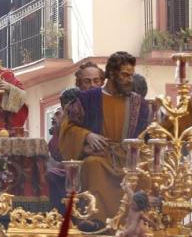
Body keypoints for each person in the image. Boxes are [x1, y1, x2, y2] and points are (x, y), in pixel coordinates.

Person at [59, 51, 150, 223]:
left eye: (131, 75)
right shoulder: (87, 99)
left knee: (144, 173)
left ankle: (134, 221)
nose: (130, 79)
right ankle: (96, 220)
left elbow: (149, 133)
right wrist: (86, 135)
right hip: (101, 155)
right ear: (111, 74)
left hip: (129, 158)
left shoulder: (138, 103)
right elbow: (67, 127)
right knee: (93, 164)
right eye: (124, 75)